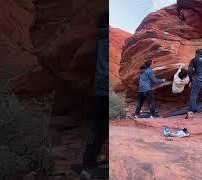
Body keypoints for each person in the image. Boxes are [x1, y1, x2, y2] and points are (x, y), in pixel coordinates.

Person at [80, 12, 108, 179]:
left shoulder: (100, 38)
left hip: (99, 86)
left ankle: (89, 158)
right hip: (105, 88)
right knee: (102, 127)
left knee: (97, 126)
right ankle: (89, 163)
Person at [186, 49, 202, 119]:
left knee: (194, 93)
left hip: (201, 75)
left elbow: (189, 71)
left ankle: (190, 112)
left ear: (196, 54)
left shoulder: (194, 59)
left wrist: (190, 80)